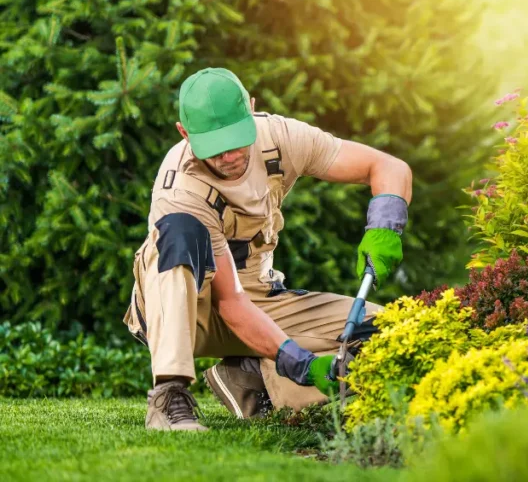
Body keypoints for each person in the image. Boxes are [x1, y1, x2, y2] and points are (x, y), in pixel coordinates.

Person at [123, 67, 411, 431]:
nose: (229, 155)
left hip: (258, 298)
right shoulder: (180, 188)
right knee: (178, 232)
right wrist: (300, 362)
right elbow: (230, 304)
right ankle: (169, 395)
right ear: (184, 133)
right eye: (215, 145)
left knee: (389, 331)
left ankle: (250, 377)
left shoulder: (280, 138)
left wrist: (385, 227)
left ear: (252, 109)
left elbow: (387, 166)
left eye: (236, 138)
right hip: (186, 311)